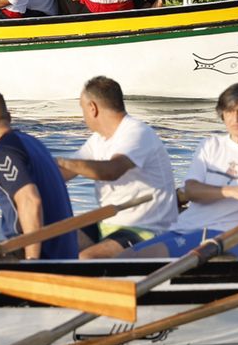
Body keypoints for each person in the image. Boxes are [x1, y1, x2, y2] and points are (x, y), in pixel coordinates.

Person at [128, 83, 238, 260]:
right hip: (187, 226)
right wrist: (232, 192)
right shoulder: (211, 146)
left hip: (232, 236)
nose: (235, 119)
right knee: (126, 254)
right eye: (229, 112)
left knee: (151, 254)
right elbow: (190, 190)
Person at [55, 75, 181, 258]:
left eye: (82, 109)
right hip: (108, 225)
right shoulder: (98, 140)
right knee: (52, 244)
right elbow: (65, 172)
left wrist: (60, 161)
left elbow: (112, 170)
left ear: (93, 108)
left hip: (147, 229)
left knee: (87, 258)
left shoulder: (136, 133)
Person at [0, 89, 80, 260]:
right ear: (9, 117)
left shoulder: (2, 155)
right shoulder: (33, 143)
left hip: (45, 258)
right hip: (66, 254)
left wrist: (31, 262)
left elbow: (30, 201)